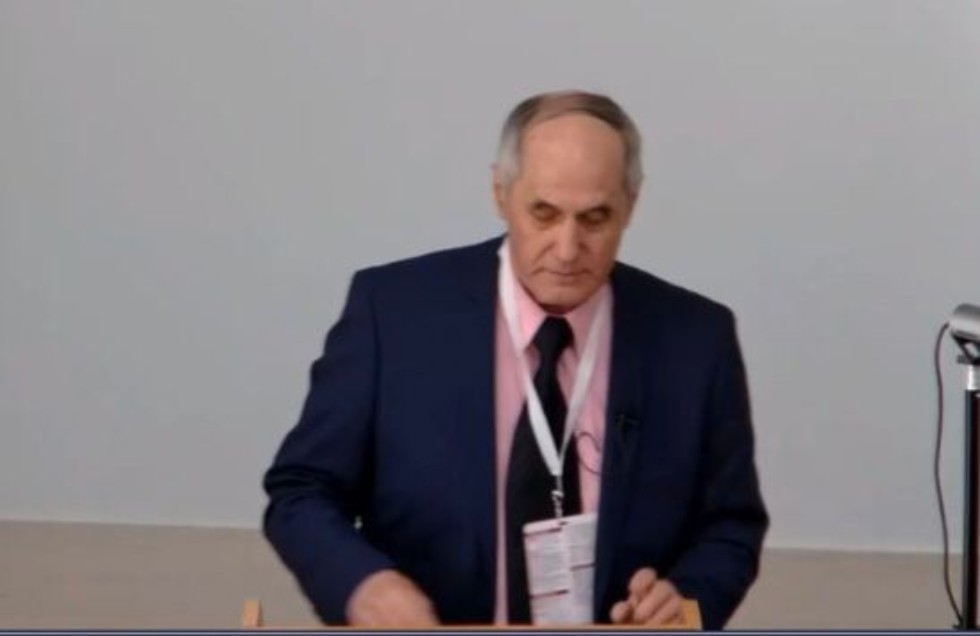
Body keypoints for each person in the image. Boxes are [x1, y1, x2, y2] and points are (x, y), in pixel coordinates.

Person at [263, 90, 768, 630]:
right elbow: (303, 490)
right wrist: (362, 585)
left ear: (631, 204)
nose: (567, 249)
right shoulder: (393, 314)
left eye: (595, 218)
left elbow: (729, 526)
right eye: (544, 214)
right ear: (501, 194)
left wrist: (686, 598)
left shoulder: (697, 340)